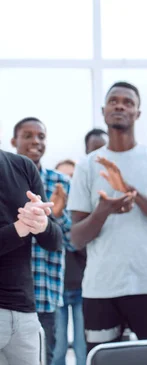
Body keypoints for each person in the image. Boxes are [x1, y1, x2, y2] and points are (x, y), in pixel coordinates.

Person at [67, 81, 147, 352]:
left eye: (128, 102)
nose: (120, 105)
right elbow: (76, 237)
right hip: (101, 289)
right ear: (104, 110)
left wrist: (133, 193)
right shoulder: (87, 165)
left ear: (137, 113)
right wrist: (104, 209)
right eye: (114, 101)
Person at [11, 117, 73, 365]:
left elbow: (70, 241)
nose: (35, 141)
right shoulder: (6, 179)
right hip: (8, 297)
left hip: (45, 295)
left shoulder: (60, 183)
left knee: (44, 358)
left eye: (41, 137)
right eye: (27, 136)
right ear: (14, 141)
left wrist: (56, 217)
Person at [0, 146, 63, 365]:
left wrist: (42, 224)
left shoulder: (23, 166)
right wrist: (18, 228)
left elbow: (55, 241)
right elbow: (19, 230)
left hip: (24, 314)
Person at [52, 159, 86, 365]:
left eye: (72, 177)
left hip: (84, 287)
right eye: (62, 178)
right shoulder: (48, 209)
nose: (67, 182)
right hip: (56, 289)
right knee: (57, 349)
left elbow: (78, 243)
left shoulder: (84, 212)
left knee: (83, 349)